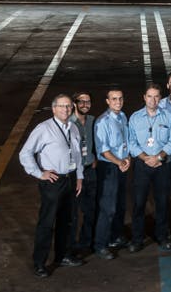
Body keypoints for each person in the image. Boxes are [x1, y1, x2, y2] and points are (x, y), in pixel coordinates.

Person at [19, 94, 85, 277]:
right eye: (62, 106)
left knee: (67, 221)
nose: (66, 109)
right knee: (47, 223)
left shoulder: (73, 127)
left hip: (70, 179)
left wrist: (79, 177)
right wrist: (39, 173)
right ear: (54, 108)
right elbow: (25, 153)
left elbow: (78, 155)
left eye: (68, 106)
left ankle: (62, 256)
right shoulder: (44, 128)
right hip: (53, 181)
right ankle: (39, 263)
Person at [127, 84, 171, 252]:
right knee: (139, 203)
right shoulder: (135, 118)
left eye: (156, 96)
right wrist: (145, 158)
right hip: (142, 165)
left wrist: (158, 157)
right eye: (150, 96)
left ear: (160, 98)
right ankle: (137, 239)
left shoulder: (168, 117)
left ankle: (162, 236)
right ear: (144, 97)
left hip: (162, 164)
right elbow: (131, 142)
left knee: (162, 202)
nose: (153, 100)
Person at [93, 89, 130, 259]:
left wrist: (127, 158)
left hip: (122, 166)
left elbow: (125, 142)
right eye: (114, 99)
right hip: (109, 167)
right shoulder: (102, 122)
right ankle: (100, 244)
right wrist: (119, 162)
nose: (118, 102)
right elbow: (103, 150)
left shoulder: (122, 116)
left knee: (120, 205)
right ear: (107, 101)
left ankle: (116, 237)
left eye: (120, 98)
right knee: (108, 207)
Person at [68, 91, 97, 257]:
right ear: (74, 104)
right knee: (73, 213)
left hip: (90, 171)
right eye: (81, 101)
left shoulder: (92, 120)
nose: (85, 105)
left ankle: (86, 242)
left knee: (90, 210)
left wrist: (94, 158)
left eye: (88, 101)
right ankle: (71, 247)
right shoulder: (69, 123)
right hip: (75, 173)